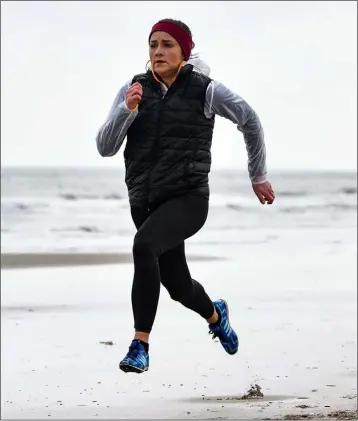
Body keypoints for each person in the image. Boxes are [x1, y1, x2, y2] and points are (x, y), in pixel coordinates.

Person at [96, 18, 275, 374]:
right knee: (177, 285)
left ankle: (139, 345)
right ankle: (215, 314)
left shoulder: (206, 90)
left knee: (143, 245)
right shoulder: (134, 89)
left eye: (167, 44)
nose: (158, 51)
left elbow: (250, 121)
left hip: (188, 198)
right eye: (153, 44)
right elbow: (105, 147)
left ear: (184, 51)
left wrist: (257, 174)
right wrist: (125, 110)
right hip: (144, 201)